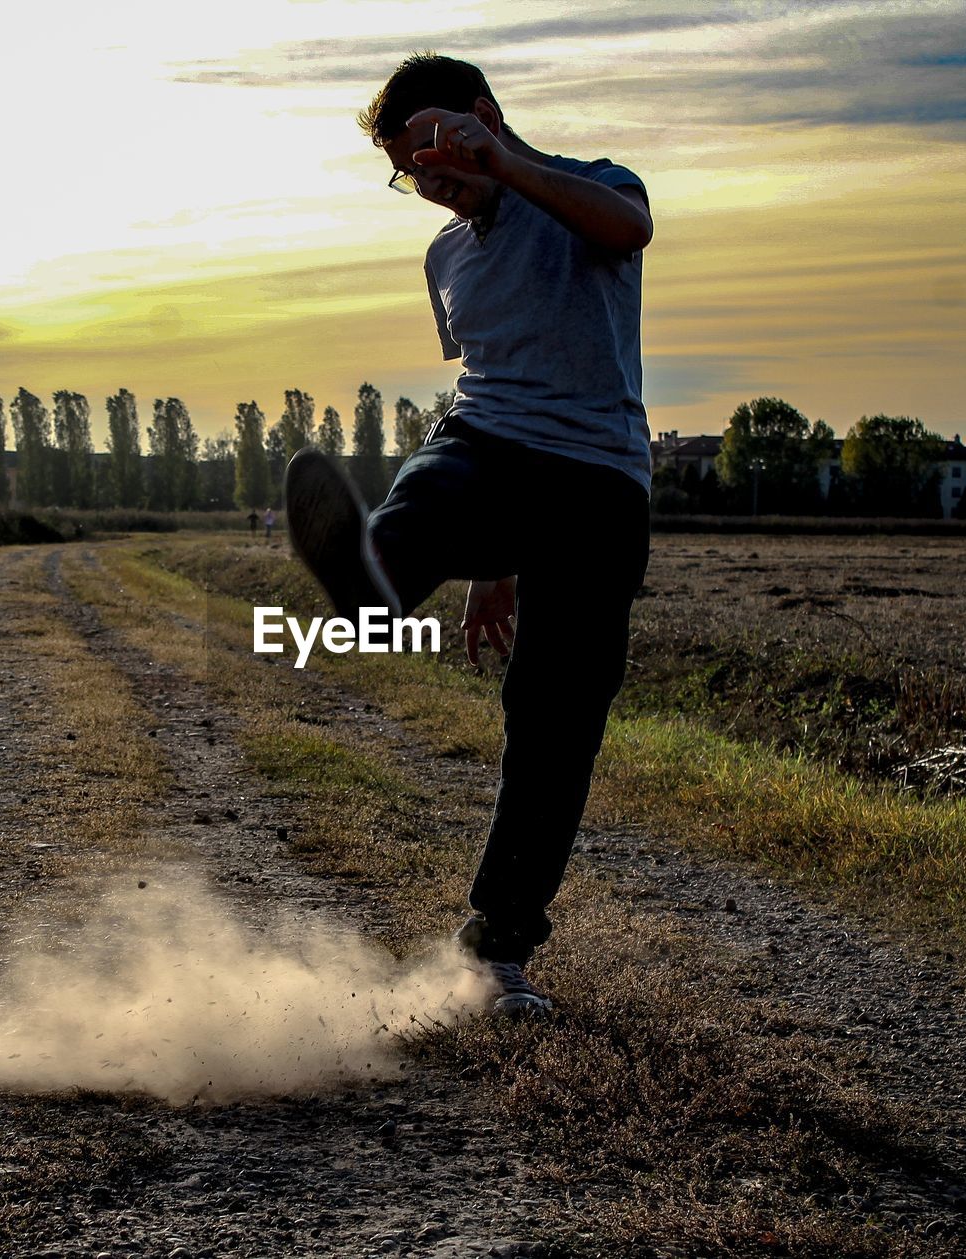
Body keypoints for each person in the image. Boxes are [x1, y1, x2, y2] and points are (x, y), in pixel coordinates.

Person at [285, 53, 652, 1015]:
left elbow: (631, 230)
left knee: (556, 721)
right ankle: (376, 581)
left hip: (600, 483)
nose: (432, 190)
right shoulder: (446, 258)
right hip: (489, 445)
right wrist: (493, 565)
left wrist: (505, 164)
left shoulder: (595, 189)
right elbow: (486, 370)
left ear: (480, 119)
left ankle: (497, 949)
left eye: (438, 161)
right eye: (412, 176)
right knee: (435, 479)